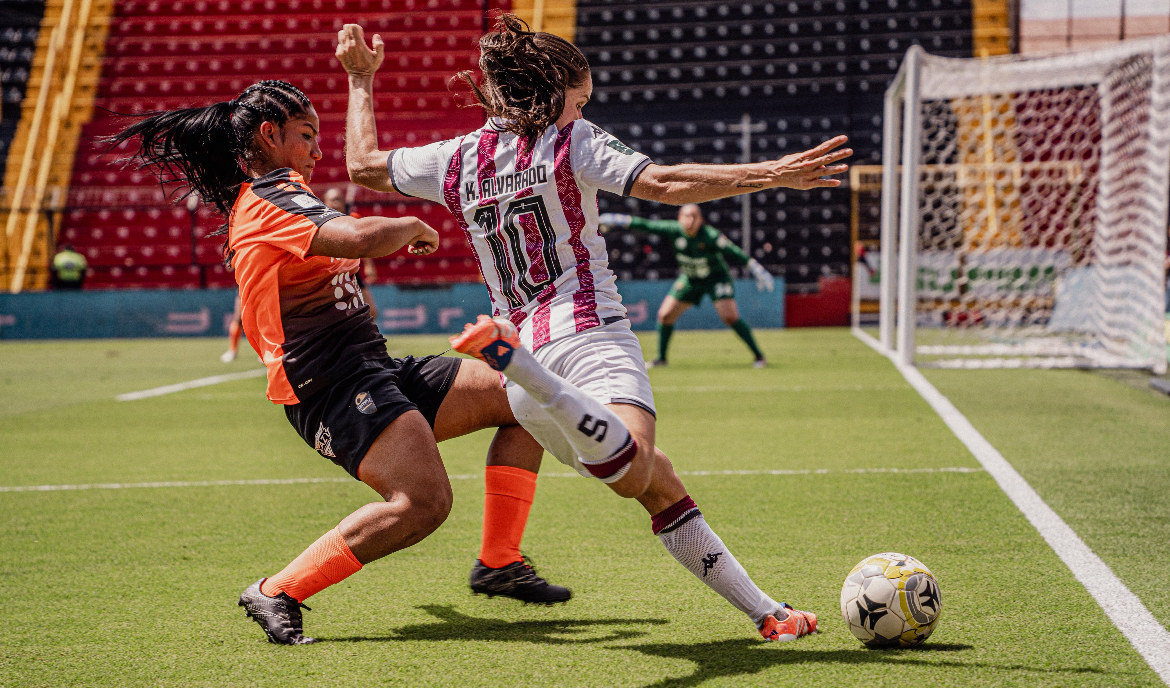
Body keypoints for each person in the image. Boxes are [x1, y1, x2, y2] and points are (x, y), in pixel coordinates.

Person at [338, 16, 850, 642]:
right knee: (634, 471)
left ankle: (768, 614)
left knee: (657, 482)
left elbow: (363, 164)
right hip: (587, 338)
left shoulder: (454, 158)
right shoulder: (569, 140)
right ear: (552, 93)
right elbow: (663, 182)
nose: (582, 111)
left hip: (525, 366)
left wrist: (360, 79)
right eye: (579, 100)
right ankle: (528, 372)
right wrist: (773, 173)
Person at [105, 78, 569, 646]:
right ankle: (277, 589)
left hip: (372, 370)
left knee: (525, 396)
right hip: (328, 386)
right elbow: (355, 237)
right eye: (307, 135)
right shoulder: (271, 197)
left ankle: (498, 561)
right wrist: (410, 224)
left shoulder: (283, 194)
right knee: (423, 503)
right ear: (269, 134)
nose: (319, 150)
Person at [598, 205, 772, 367]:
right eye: (687, 216)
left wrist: (756, 269)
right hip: (690, 279)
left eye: (694, 216)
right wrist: (620, 219)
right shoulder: (674, 230)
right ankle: (661, 359)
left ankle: (759, 356)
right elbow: (647, 225)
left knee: (730, 317)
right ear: (679, 218)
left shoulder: (710, 235)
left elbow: (733, 251)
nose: (690, 220)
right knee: (665, 315)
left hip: (716, 279)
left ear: (701, 220)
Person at [323, 187, 379, 321]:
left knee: (371, 311)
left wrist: (369, 266)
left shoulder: (353, 219)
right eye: (332, 200)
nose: (336, 203)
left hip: (351, 271)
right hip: (329, 274)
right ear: (325, 203)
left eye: (339, 200)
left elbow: (363, 243)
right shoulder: (320, 223)